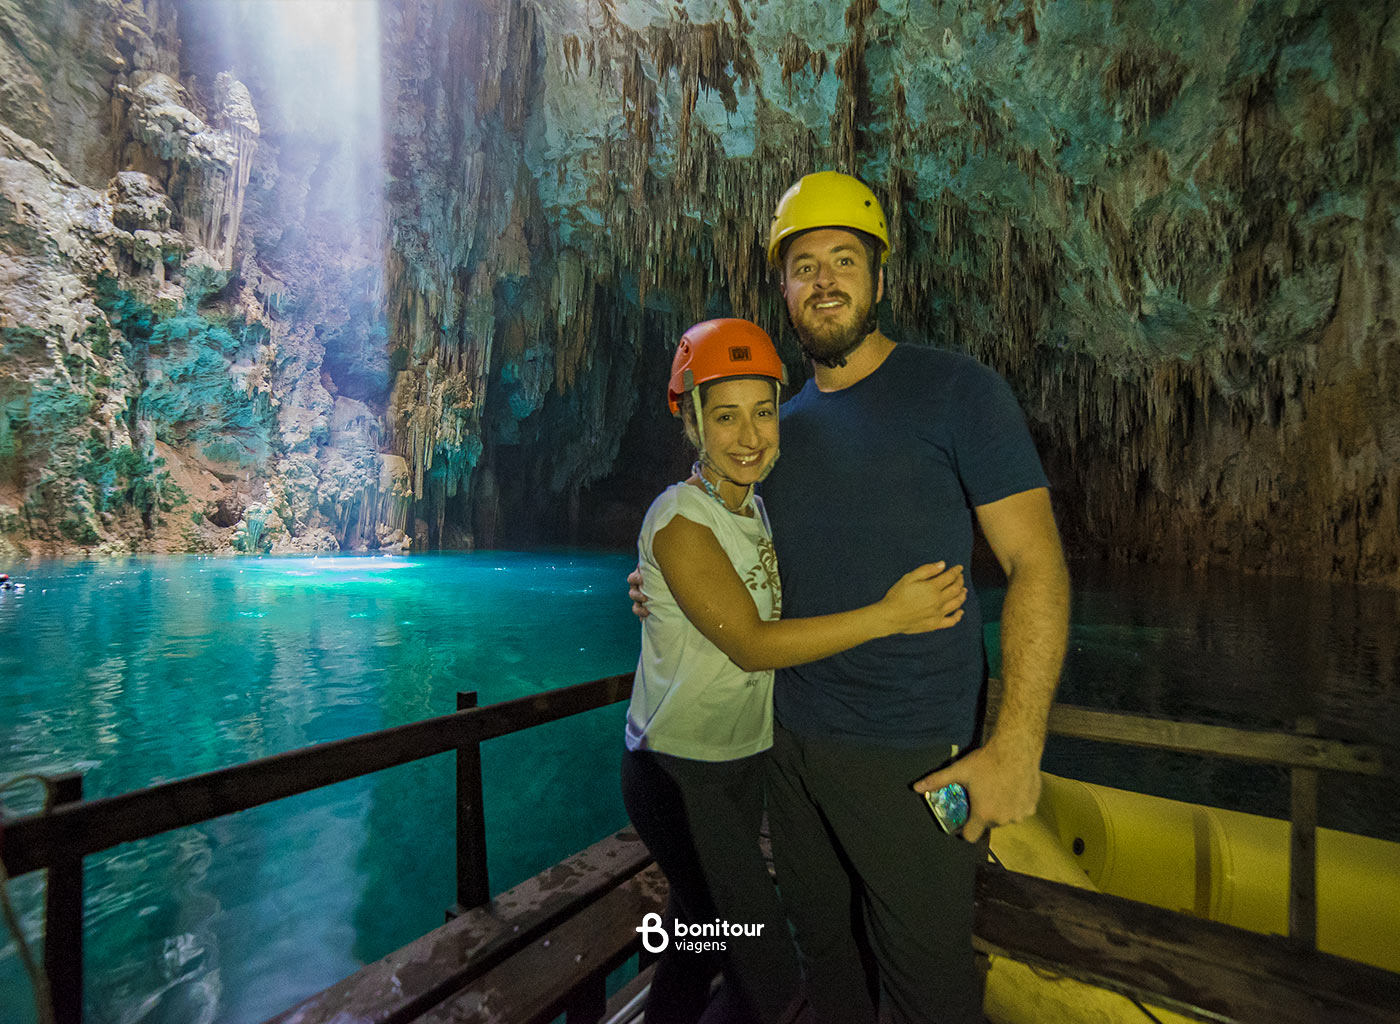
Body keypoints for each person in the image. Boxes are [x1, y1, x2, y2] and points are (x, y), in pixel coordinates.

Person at [632, 172, 1070, 1023]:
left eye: (843, 258)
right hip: (788, 749)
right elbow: (726, 547)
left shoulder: (957, 392)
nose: (824, 278)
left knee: (927, 980)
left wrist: (1016, 746)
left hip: (914, 754)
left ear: (879, 277)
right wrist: (662, 586)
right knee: (824, 957)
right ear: (784, 287)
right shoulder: (777, 431)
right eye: (803, 264)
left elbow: (1038, 565)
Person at [623, 317, 969, 1024]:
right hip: (680, 770)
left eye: (762, 412)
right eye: (725, 417)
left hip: (739, 761)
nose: (749, 435)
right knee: (766, 965)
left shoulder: (753, 509)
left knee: (696, 938)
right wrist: (890, 615)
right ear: (693, 424)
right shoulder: (681, 520)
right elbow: (751, 643)